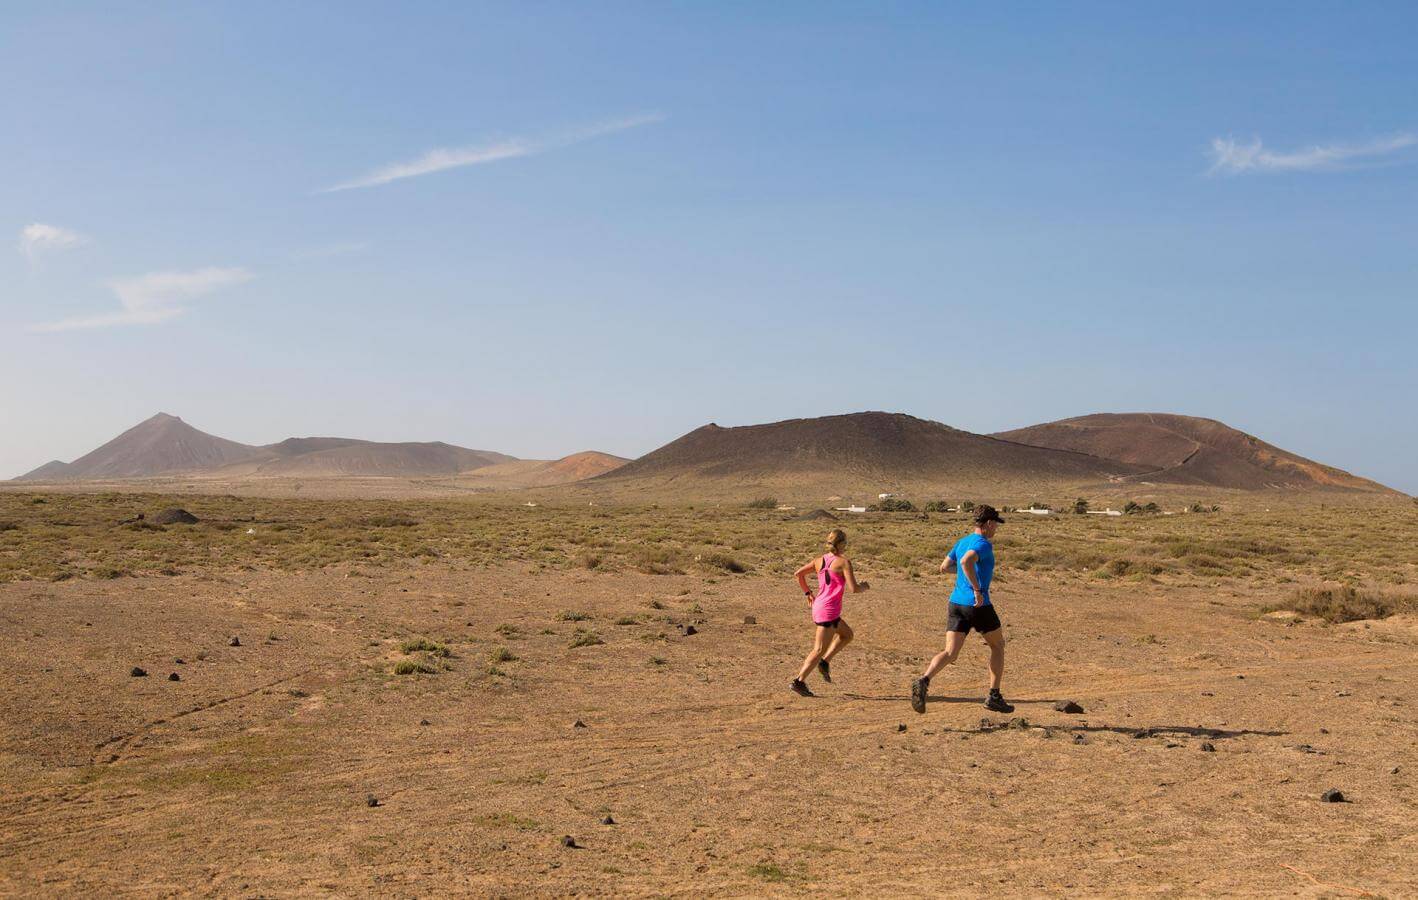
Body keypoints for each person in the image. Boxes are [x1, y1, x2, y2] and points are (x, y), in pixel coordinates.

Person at [910, 505, 1014, 714]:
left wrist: (964, 577)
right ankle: (994, 695)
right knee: (998, 646)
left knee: (950, 652)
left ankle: (924, 679)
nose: (996, 529)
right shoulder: (983, 544)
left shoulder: (962, 542)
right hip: (978, 605)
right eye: (995, 525)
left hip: (956, 603)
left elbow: (945, 567)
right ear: (988, 524)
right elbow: (966, 561)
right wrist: (976, 588)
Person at [790, 528, 869, 697]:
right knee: (818, 649)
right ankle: (799, 681)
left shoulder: (819, 561)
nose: (846, 546)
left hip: (821, 606)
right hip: (829, 610)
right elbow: (854, 589)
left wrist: (807, 593)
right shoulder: (843, 562)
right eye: (845, 543)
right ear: (840, 544)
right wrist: (865, 586)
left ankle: (824, 663)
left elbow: (798, 574)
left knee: (847, 635)